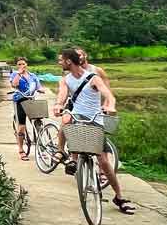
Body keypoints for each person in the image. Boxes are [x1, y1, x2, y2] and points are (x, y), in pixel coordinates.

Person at [52, 47, 135, 214]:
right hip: (77, 118)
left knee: (103, 161)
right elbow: (62, 94)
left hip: (94, 121)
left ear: (69, 61)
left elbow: (109, 95)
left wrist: (110, 105)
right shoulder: (65, 79)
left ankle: (119, 196)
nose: (59, 63)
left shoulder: (93, 78)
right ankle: (61, 152)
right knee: (66, 119)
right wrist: (59, 104)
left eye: (61, 60)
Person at [8, 57, 40, 161]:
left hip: (31, 100)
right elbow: (14, 84)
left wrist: (41, 90)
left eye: (23, 63)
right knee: (21, 127)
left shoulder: (32, 76)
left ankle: (41, 147)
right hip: (20, 101)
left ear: (26, 64)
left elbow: (39, 86)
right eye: (19, 64)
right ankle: (21, 150)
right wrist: (19, 73)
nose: (21, 66)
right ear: (17, 66)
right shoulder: (14, 75)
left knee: (37, 124)